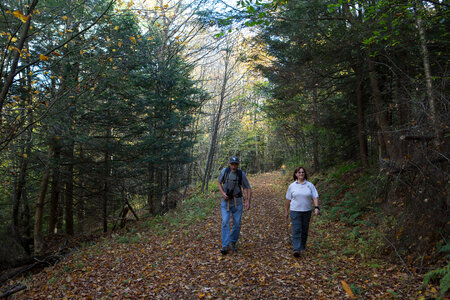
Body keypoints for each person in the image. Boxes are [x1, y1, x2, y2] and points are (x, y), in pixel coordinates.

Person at [218, 156, 252, 255]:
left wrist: (248, 201)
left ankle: (232, 242)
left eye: (235, 164)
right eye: (232, 164)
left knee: (237, 223)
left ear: (238, 164)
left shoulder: (241, 174)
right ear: (229, 164)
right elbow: (219, 182)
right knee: (225, 222)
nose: (233, 166)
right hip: (226, 201)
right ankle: (225, 245)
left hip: (237, 201)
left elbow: (248, 188)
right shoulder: (225, 171)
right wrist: (222, 193)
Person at [285, 166, 319, 257]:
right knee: (297, 229)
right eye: (299, 172)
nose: (301, 174)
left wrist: (316, 207)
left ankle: (302, 246)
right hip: (295, 210)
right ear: (296, 174)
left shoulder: (310, 185)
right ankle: (296, 249)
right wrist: (286, 211)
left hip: (307, 211)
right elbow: (288, 199)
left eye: (302, 172)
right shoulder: (292, 186)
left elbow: (315, 196)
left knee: (304, 229)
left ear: (304, 174)